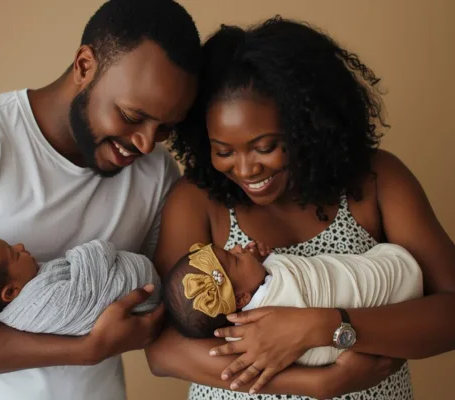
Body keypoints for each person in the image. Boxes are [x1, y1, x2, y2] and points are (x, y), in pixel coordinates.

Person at [0, 0, 200, 399]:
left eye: (164, 129)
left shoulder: (156, 172)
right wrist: (83, 350)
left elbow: (166, 308)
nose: (145, 143)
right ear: (84, 66)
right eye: (131, 116)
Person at [146, 16, 455, 400]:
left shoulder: (376, 181)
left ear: (308, 126)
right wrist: (318, 384)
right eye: (223, 151)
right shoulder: (197, 200)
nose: (246, 169)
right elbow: (161, 350)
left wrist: (324, 326)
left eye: (265, 147)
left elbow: (450, 312)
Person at [163, 241, 422, 366]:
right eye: (235, 259)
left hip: (394, 287)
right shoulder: (263, 321)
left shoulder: (245, 315)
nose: (238, 247)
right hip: (397, 289)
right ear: (242, 299)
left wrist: (264, 264)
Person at [0, 237, 160, 333]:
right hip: (140, 289)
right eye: (14, 254)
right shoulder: (38, 307)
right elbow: (83, 294)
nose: (20, 245)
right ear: (12, 291)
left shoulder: (31, 287)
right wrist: (90, 251)